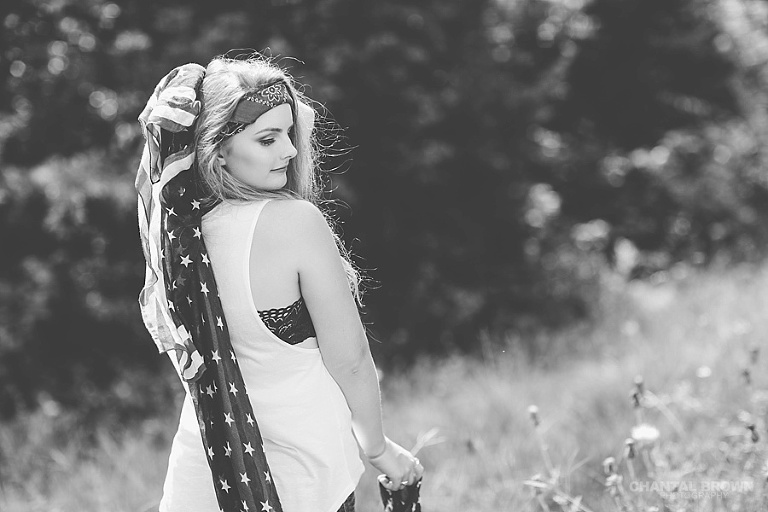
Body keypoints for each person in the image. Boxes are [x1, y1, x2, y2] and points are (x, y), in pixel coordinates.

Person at [139, 55, 424, 512]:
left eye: (290, 133)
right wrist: (378, 450)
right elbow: (350, 359)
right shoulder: (293, 223)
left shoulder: (177, 237)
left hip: (206, 467)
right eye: (268, 138)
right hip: (302, 475)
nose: (290, 151)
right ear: (217, 150)